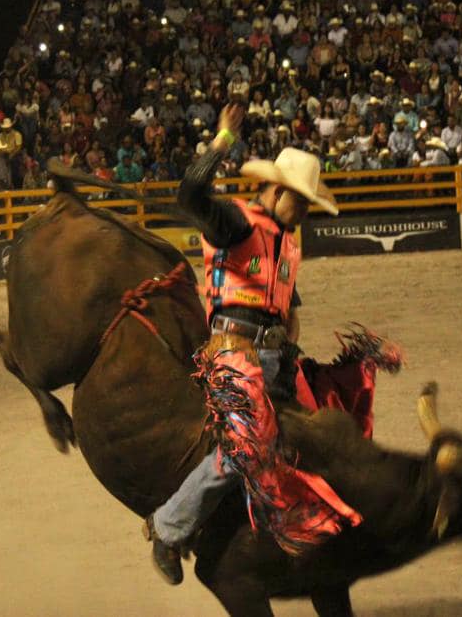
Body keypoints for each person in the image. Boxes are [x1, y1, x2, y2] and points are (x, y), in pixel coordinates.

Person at [144, 105, 346, 585]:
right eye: (297, 200)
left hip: (273, 357)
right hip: (233, 350)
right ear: (274, 190)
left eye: (306, 203)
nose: (301, 210)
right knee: (246, 446)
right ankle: (169, 527)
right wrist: (222, 140)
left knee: (313, 437)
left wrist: (290, 346)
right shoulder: (235, 223)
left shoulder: (285, 240)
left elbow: (286, 303)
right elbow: (190, 194)